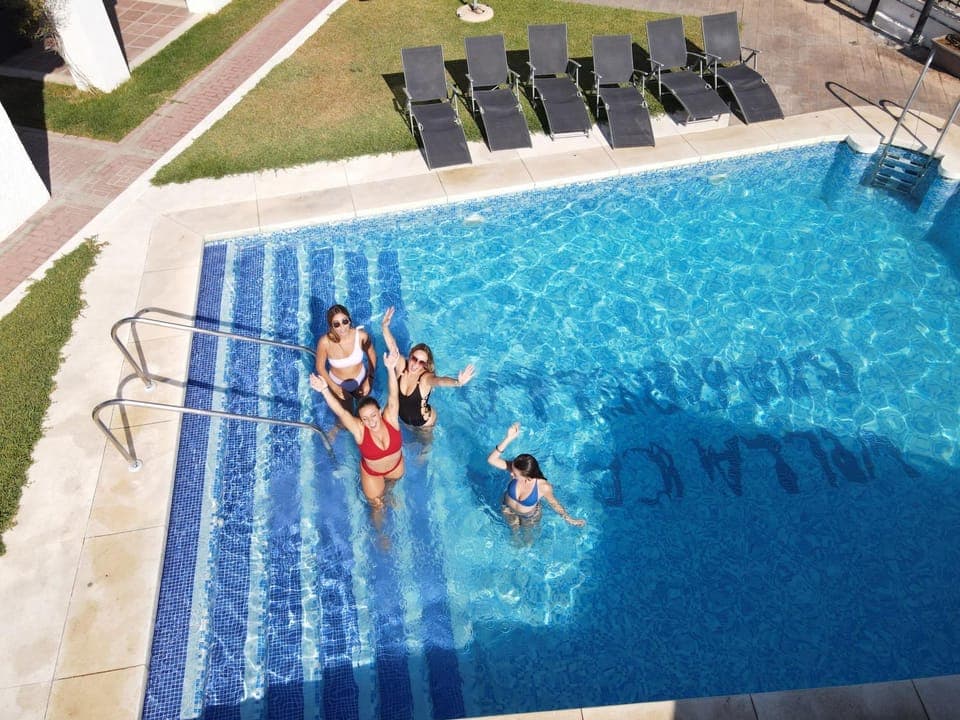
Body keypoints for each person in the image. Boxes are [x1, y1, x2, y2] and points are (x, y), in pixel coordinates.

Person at [310, 349, 404, 515]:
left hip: (396, 468)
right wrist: (325, 390)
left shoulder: (390, 419)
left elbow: (394, 396)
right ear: (361, 420)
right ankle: (382, 536)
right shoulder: (360, 430)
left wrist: (390, 368)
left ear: (379, 411)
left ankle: (388, 493)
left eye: (373, 415)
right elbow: (343, 413)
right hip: (373, 474)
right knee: (377, 506)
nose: (371, 422)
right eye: (365, 419)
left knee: (391, 485)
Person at [380, 306, 475, 428]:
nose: (415, 364)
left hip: (424, 424)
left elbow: (440, 381)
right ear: (410, 355)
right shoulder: (401, 366)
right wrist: (384, 327)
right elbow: (393, 348)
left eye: (421, 362)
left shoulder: (425, 378)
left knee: (425, 446)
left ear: (425, 365)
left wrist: (457, 382)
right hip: (402, 418)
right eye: (414, 359)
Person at [487, 422, 586, 530]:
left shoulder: (543, 486)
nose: (511, 473)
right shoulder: (516, 468)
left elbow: (553, 503)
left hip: (529, 517)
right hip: (508, 510)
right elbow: (491, 460)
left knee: (527, 541)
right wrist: (508, 438)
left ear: (528, 477)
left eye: (515, 474)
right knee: (514, 535)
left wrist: (569, 519)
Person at [315, 304, 376, 414]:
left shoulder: (361, 336)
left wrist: (369, 378)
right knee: (346, 416)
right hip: (338, 385)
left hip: (361, 380)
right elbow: (320, 367)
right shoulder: (325, 342)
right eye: (336, 324)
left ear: (349, 320)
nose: (342, 327)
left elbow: (371, 355)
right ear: (331, 326)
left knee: (365, 413)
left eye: (345, 321)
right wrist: (334, 387)